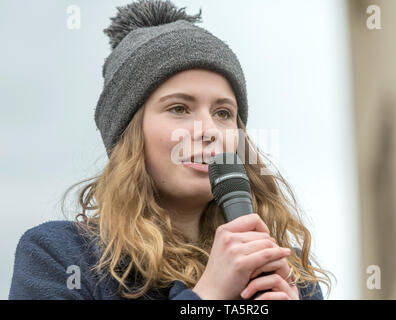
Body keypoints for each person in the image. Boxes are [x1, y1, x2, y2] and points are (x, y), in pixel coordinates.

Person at [9, 0, 332, 300]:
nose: (209, 131)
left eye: (223, 113)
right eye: (179, 108)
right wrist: (206, 295)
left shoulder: (288, 278)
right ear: (129, 134)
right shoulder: (61, 256)